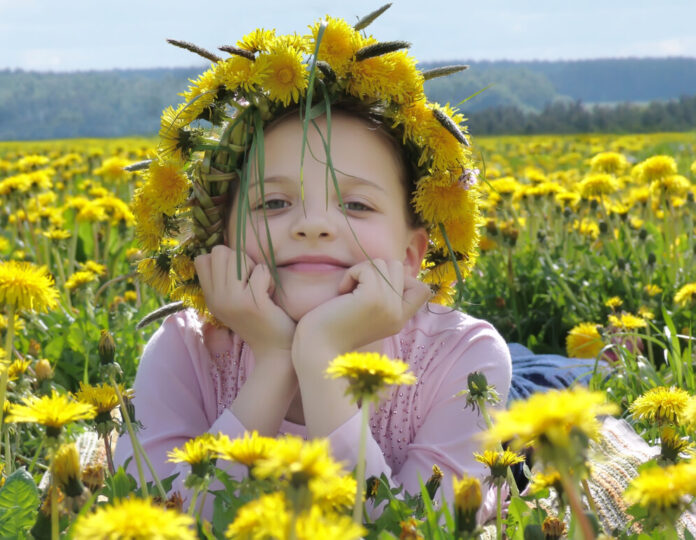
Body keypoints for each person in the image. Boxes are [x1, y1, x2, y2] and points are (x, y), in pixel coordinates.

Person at [115, 8, 512, 523]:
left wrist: (322, 355)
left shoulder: (465, 358)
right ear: (219, 238)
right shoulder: (185, 349)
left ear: (413, 254)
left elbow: (411, 531)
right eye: (273, 203)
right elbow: (163, 520)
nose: (314, 225)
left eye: (357, 205)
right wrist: (278, 359)